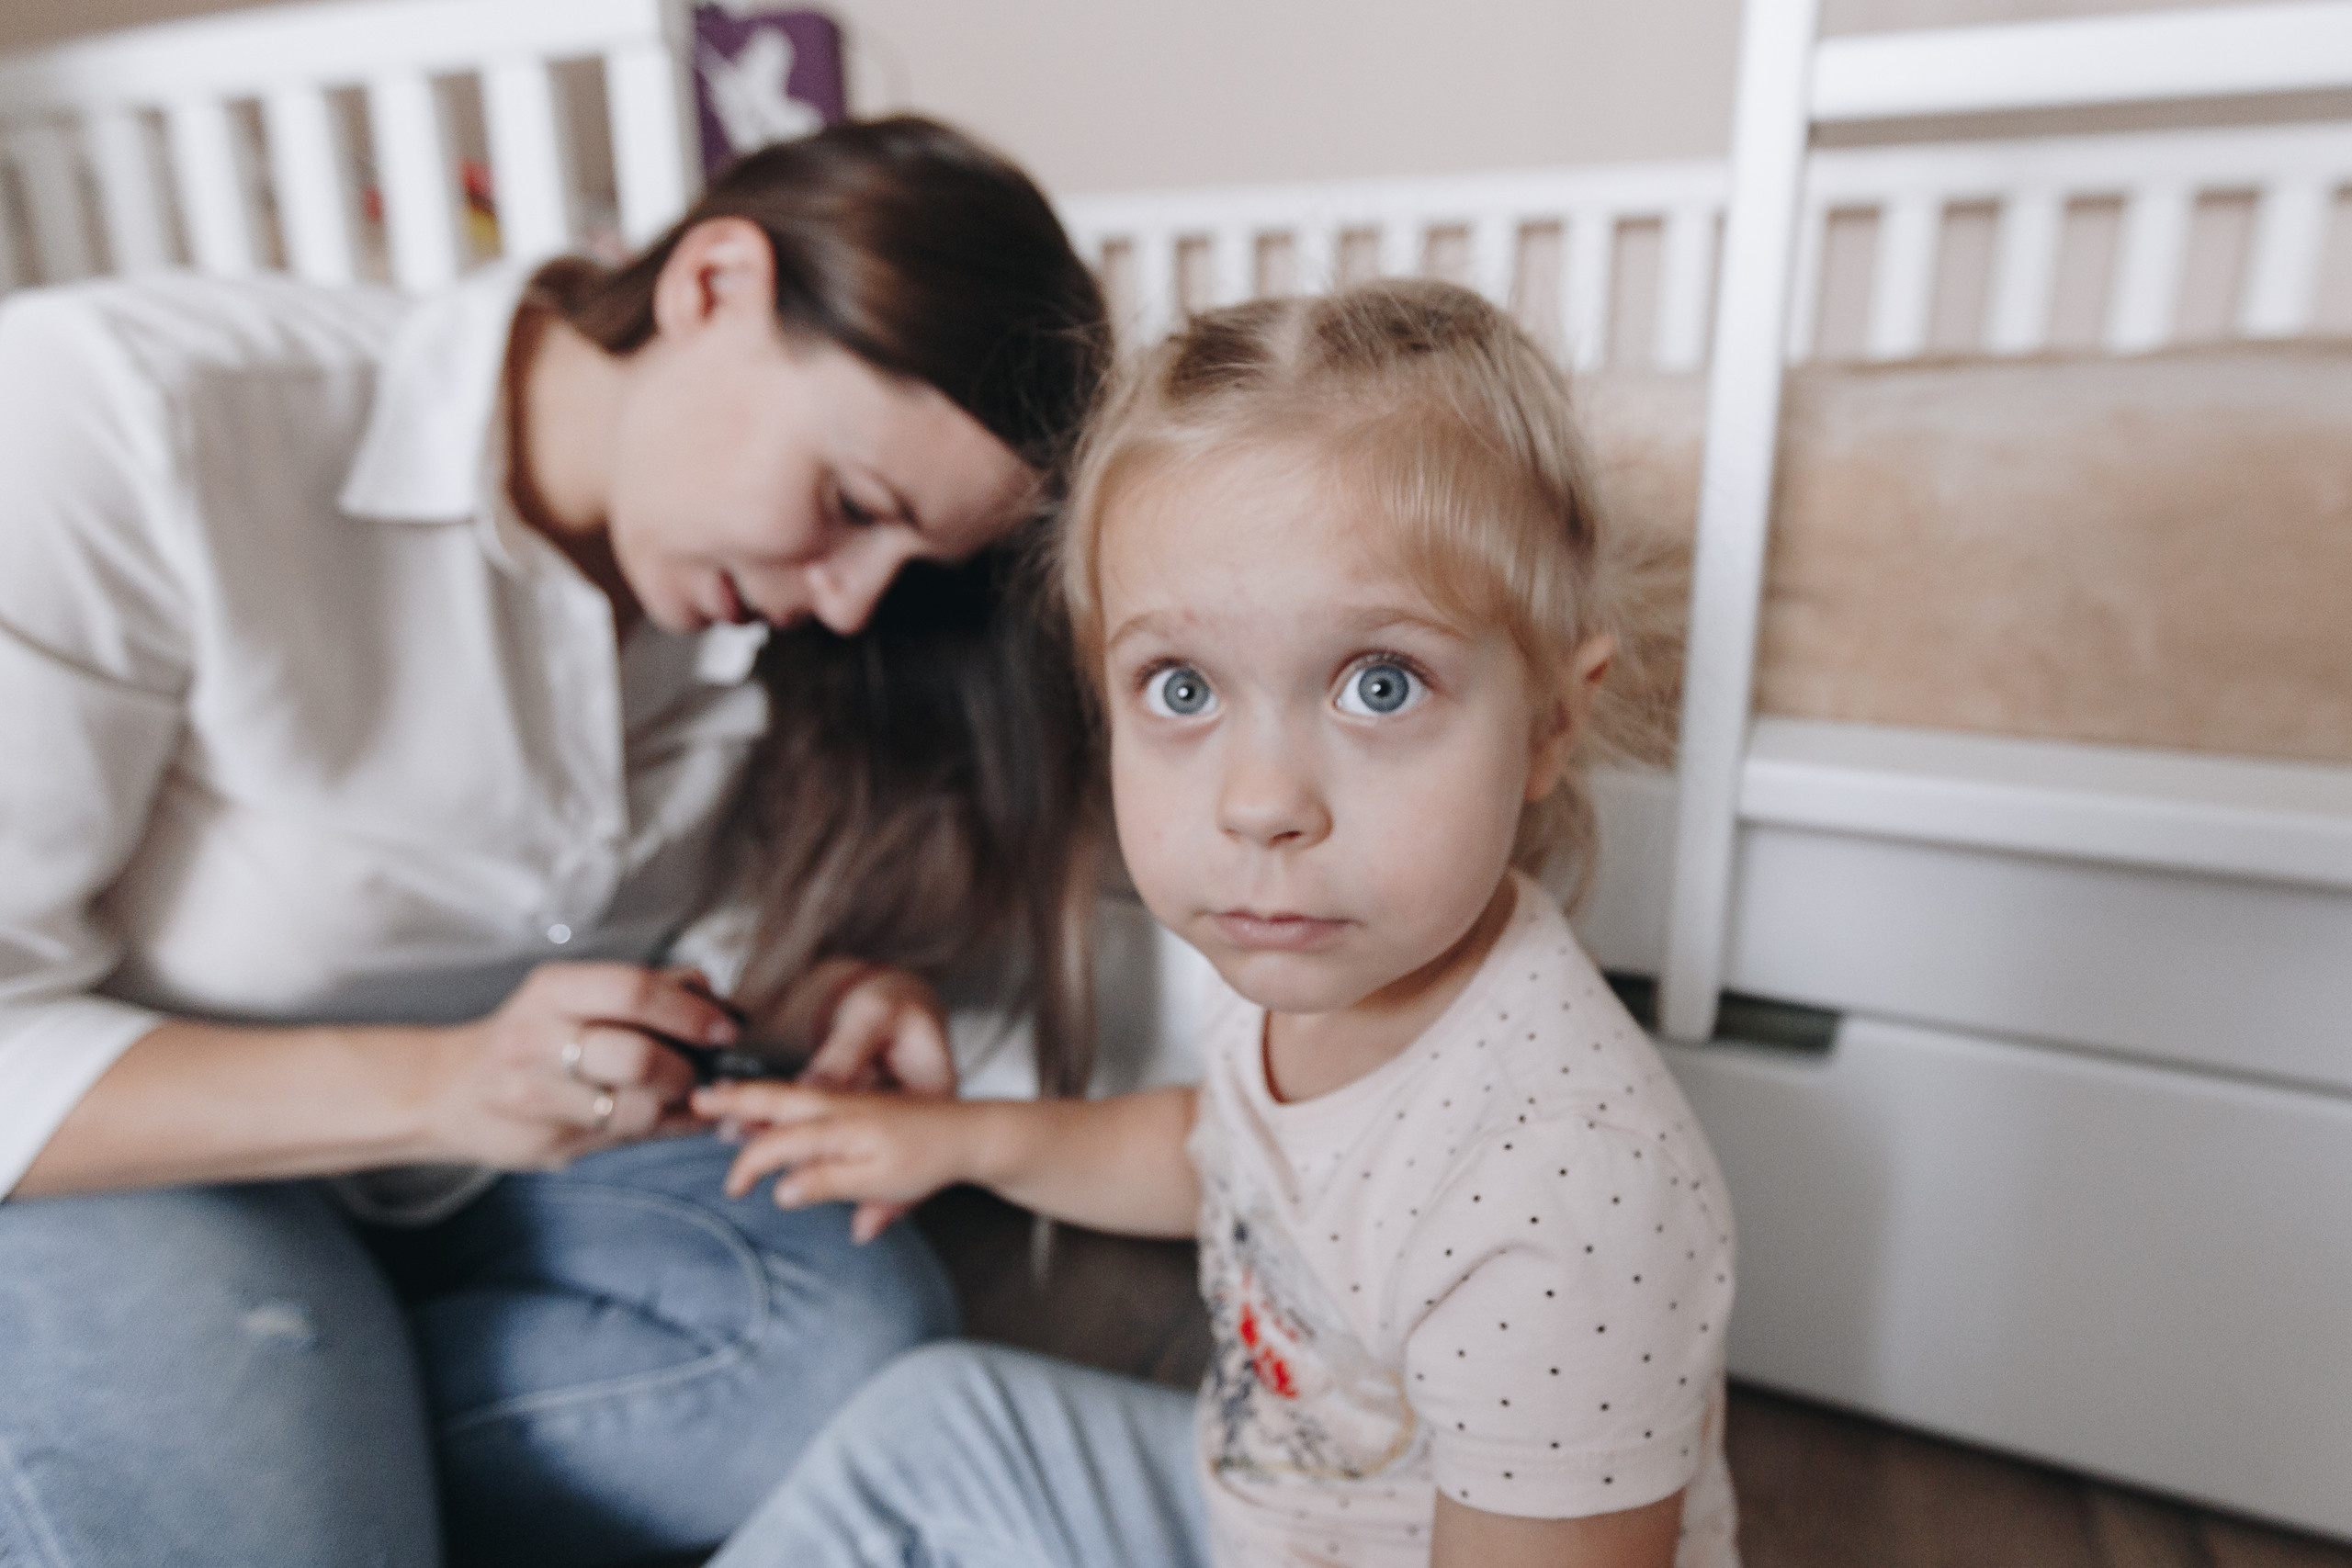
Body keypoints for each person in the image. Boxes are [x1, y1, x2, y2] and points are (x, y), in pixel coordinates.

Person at [0, 117, 1105, 1566]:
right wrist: (444, 1083)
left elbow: (642, 921)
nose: (847, 604)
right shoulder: (128, 420)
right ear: (714, 283)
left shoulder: (748, 610)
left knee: (854, 1350)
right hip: (125, 1158)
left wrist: (814, 994)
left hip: (475, 1167)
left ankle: (271, 1444)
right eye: (848, 507)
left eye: (908, 571)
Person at [695, 279, 1741, 1568]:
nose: (1259, 805)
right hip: (1260, 1515)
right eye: (1181, 687)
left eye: (1379, 682)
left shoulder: (1565, 1195)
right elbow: (1223, 1153)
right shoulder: (1288, 950)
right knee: (929, 1422)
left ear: (1551, 724)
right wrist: (957, 1140)